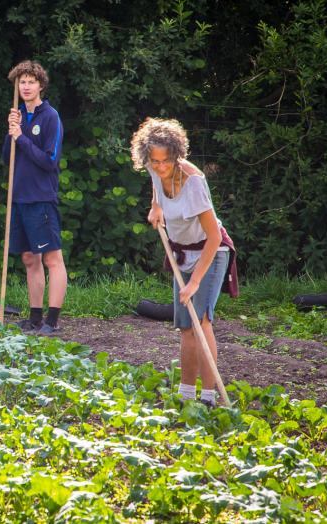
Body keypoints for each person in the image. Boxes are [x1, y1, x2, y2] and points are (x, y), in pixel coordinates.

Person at [130, 117, 237, 407]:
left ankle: (208, 397)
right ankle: (186, 394)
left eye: (166, 161)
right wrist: (155, 207)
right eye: (155, 161)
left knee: (201, 322)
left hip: (211, 254)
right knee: (185, 327)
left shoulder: (194, 183)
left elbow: (214, 238)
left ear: (177, 155)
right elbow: (156, 185)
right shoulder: (155, 169)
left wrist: (195, 282)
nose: (161, 167)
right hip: (181, 253)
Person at [2, 60, 66, 334]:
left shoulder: (50, 117)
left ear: (41, 85)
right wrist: (12, 132)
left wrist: (22, 138)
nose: (26, 86)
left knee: (52, 259)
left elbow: (49, 161)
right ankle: (35, 318)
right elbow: (8, 158)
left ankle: (52, 321)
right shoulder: (19, 117)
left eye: (30, 81)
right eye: (22, 82)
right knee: (29, 259)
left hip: (41, 198)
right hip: (19, 198)